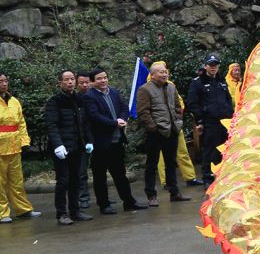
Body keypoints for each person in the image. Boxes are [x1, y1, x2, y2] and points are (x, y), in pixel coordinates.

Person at [83, 67, 148, 214]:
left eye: (105, 77)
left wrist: (123, 119)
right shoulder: (89, 96)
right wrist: (114, 123)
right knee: (100, 176)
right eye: (99, 78)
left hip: (117, 140)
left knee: (120, 174)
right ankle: (104, 204)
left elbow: (124, 107)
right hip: (101, 143)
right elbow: (94, 116)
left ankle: (129, 202)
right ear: (93, 81)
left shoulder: (113, 92)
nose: (103, 80)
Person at [0, 72, 41, 223]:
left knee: (17, 180)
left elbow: (21, 123)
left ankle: (23, 209)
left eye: (6, 81)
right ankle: (1, 213)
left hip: (14, 146)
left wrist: (25, 142)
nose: (4, 84)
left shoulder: (14, 101)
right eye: (0, 81)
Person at [135, 62, 191, 205]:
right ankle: (151, 196)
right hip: (155, 132)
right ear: (152, 75)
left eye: (165, 71)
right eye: (160, 72)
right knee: (152, 164)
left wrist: (178, 122)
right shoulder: (145, 89)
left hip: (172, 130)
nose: (164, 74)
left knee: (171, 162)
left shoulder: (171, 87)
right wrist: (153, 128)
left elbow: (178, 107)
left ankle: (174, 192)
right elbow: (143, 112)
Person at [44, 70, 94, 225]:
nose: (70, 82)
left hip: (77, 146)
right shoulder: (55, 101)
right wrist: (58, 145)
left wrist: (88, 140)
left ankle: (75, 210)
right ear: (60, 83)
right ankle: (62, 213)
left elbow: (85, 123)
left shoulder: (80, 99)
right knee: (63, 181)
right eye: (66, 80)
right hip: (62, 148)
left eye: (72, 79)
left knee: (75, 179)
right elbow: (51, 125)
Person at [187, 54, 233, 185]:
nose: (213, 68)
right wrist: (200, 120)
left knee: (225, 149)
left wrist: (231, 115)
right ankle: (208, 178)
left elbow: (228, 99)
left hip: (225, 121)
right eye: (211, 65)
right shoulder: (197, 82)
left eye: (215, 65)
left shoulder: (221, 81)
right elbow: (192, 103)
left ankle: (224, 176)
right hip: (209, 122)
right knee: (210, 150)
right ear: (205, 66)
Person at [75, 71, 94, 209]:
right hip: (82, 140)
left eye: (87, 82)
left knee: (100, 169)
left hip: (98, 137)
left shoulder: (95, 96)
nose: (85, 85)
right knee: (81, 171)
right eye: (81, 83)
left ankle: (102, 197)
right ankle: (83, 197)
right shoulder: (75, 99)